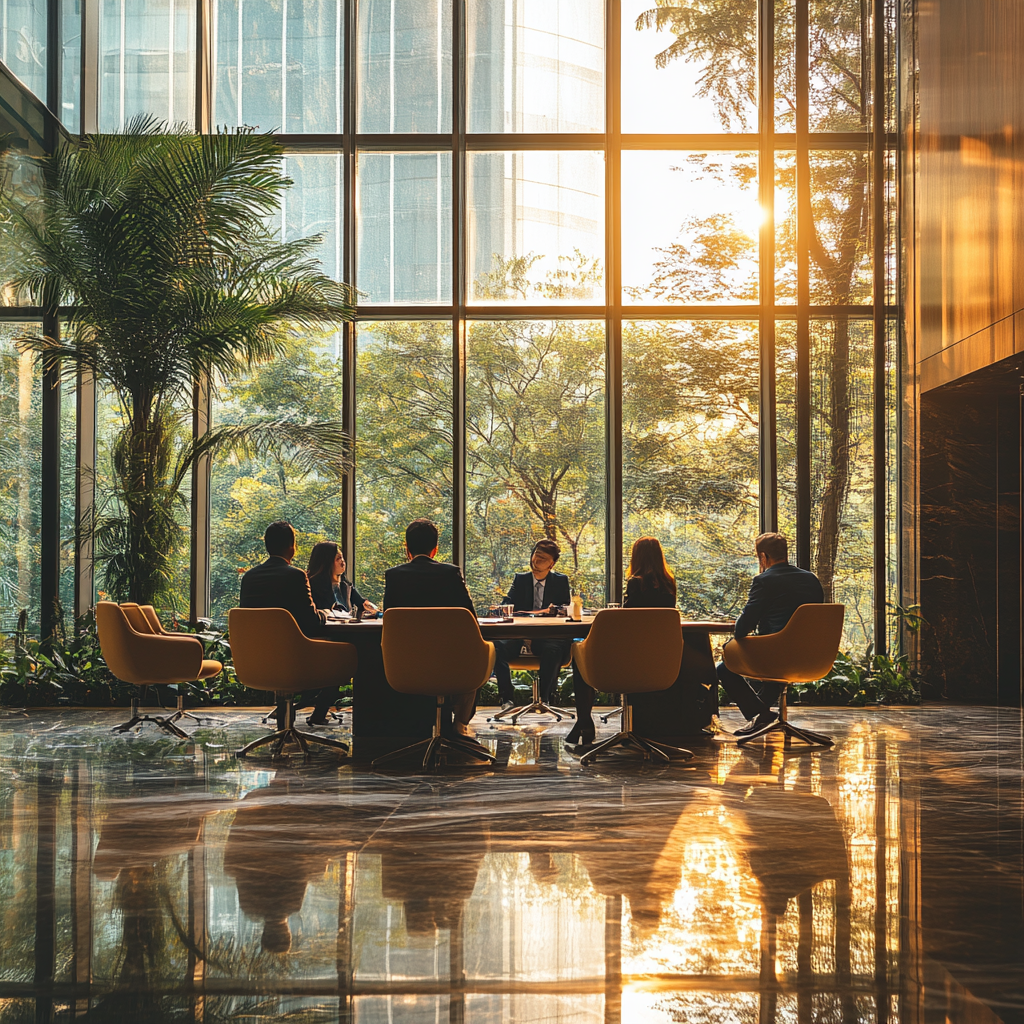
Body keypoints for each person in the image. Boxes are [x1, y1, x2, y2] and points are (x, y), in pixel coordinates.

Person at [566, 536, 677, 751]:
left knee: (580, 652)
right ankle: (585, 724)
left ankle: (584, 722)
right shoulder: (669, 584)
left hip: (629, 658)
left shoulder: (636, 582)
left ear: (636, 557)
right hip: (657, 660)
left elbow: (628, 619)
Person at [717, 532, 824, 736]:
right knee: (779, 655)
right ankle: (762, 715)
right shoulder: (811, 580)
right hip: (812, 655)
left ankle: (759, 712)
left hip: (776, 653)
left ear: (763, 557)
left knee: (724, 667)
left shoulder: (764, 580)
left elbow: (742, 628)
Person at [382, 518, 479, 739]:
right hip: (449, 662)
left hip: (405, 664)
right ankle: (460, 723)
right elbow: (470, 618)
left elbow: (390, 619)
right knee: (478, 652)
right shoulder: (450, 573)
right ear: (435, 550)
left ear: (407, 549)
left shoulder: (394, 576)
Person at [238, 520, 337, 727]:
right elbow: (311, 622)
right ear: (292, 546)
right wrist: (326, 614)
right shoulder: (296, 576)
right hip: (294, 657)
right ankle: (314, 714)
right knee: (342, 649)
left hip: (255, 658)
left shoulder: (249, 577)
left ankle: (286, 718)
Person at [492, 539, 573, 710]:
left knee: (554, 649)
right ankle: (507, 699)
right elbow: (509, 603)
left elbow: (565, 608)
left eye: (542, 559)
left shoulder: (560, 581)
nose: (536, 561)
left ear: (551, 564)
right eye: (535, 556)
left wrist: (555, 610)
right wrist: (501, 607)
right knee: (496, 647)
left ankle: (545, 700)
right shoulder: (520, 579)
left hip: (546, 637)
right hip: (519, 635)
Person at [306, 541, 379, 618]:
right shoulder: (312, 587)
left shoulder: (345, 586)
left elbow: (361, 603)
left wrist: (374, 610)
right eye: (338, 558)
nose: (343, 561)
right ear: (326, 563)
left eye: (342, 557)